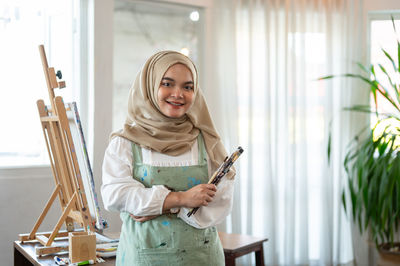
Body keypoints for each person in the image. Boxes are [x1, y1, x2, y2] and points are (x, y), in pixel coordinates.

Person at [101, 51, 235, 265]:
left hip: (202, 259)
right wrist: (181, 199)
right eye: (167, 83)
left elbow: (222, 201)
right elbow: (115, 195)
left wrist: (155, 205)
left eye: (188, 87)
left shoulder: (208, 141)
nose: (178, 94)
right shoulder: (126, 142)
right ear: (150, 85)